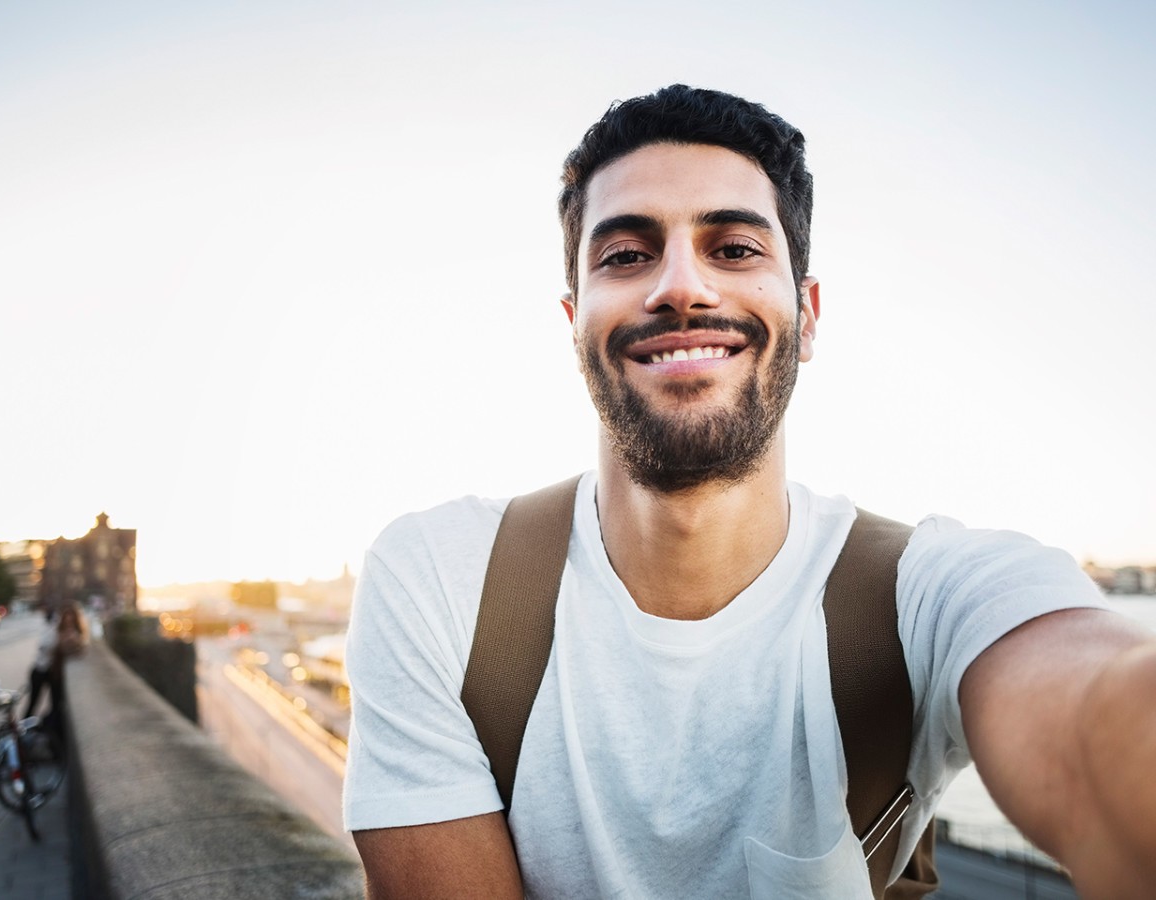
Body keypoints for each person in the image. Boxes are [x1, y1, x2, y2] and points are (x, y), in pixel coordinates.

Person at [342, 85, 1156, 899]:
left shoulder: (937, 592)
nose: (682, 286)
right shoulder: (439, 582)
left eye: (733, 248)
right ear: (574, 325)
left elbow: (1094, 724)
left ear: (806, 315)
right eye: (626, 255)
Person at [25, 603, 87, 732]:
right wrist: (60, 642)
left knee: (56, 705)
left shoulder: (77, 634)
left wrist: (73, 640)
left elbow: (80, 651)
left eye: (71, 619)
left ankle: (47, 732)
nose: (68, 622)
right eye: (66, 619)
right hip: (40, 671)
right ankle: (21, 734)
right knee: (33, 703)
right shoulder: (54, 630)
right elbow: (43, 647)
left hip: (55, 674)